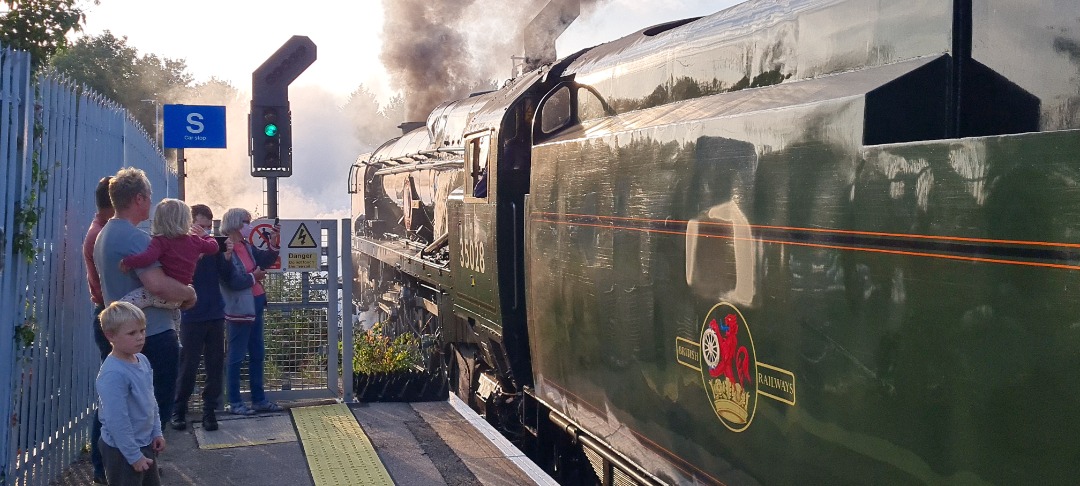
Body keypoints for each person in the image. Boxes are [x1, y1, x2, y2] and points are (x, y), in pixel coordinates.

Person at [95, 167, 196, 427]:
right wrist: (188, 293)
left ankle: (107, 464)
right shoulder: (134, 238)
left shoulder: (104, 234)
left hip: (122, 330)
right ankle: (146, 463)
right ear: (139, 199)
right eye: (149, 197)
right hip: (151, 334)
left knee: (117, 405)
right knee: (153, 406)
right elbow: (157, 284)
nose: (151, 204)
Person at [170, 204, 256, 432]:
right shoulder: (183, 246)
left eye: (209, 227)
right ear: (189, 225)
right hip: (192, 314)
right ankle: (178, 410)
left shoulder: (212, 247)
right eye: (201, 226)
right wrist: (196, 252)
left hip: (215, 313)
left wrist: (226, 256)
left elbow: (227, 276)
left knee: (215, 365)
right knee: (188, 365)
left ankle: (210, 412)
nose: (206, 232)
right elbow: (180, 274)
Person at [219, 208, 282, 415]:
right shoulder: (225, 250)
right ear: (236, 224)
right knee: (236, 356)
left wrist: (273, 244)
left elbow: (263, 261)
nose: (250, 225)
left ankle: (258, 399)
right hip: (239, 308)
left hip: (254, 304)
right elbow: (234, 280)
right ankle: (234, 401)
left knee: (257, 353)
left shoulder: (245, 245)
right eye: (247, 222)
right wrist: (254, 277)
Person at [118, 198, 218, 329]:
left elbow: (147, 258)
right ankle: (175, 334)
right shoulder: (195, 241)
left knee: (124, 305)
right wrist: (206, 236)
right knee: (173, 317)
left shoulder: (161, 241)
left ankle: (116, 325)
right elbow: (214, 247)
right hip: (179, 297)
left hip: (164, 293)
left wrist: (128, 261)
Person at [96, 301, 166, 486]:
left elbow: (151, 400)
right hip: (120, 449)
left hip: (144, 442)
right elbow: (116, 420)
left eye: (142, 330)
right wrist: (134, 456)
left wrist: (156, 431)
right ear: (110, 336)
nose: (140, 337)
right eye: (132, 333)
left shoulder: (141, 360)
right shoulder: (113, 374)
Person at [83, 176, 114, 484]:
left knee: (112, 389)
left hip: (106, 313)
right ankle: (100, 462)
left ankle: (102, 461)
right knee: (111, 393)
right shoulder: (102, 235)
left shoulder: (99, 230)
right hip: (109, 316)